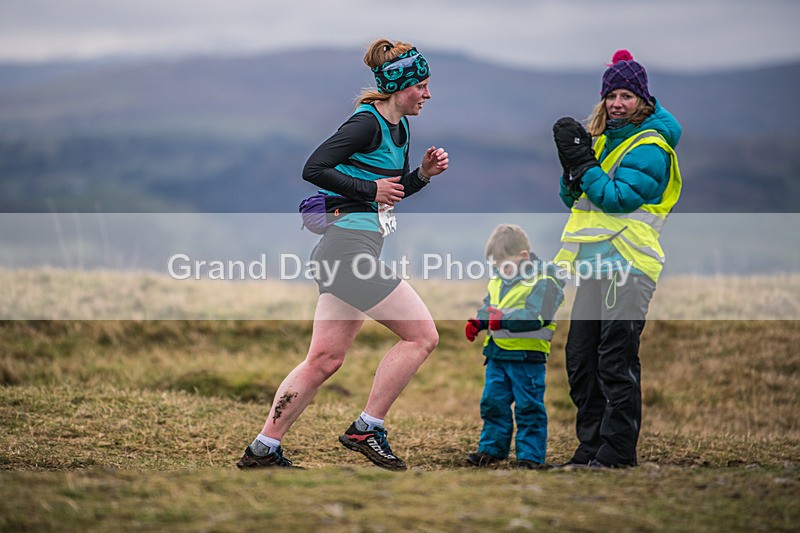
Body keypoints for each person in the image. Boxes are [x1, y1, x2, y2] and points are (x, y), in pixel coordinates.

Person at [236, 38, 449, 470]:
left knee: (324, 360)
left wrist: (421, 176)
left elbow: (388, 194)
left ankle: (263, 448)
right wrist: (369, 189)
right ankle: (367, 427)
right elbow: (313, 168)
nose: (428, 94)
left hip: (348, 249)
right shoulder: (365, 124)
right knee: (423, 336)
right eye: (422, 86)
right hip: (347, 251)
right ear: (400, 85)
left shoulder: (400, 127)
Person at [552, 50, 682, 468]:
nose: (617, 104)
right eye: (611, 95)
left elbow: (617, 199)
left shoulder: (651, 146)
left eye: (626, 95)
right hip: (595, 264)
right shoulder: (607, 139)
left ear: (643, 100)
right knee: (581, 359)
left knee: (615, 359)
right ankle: (589, 448)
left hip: (630, 264)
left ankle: (616, 451)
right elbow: (577, 198)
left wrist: (586, 164)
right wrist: (572, 168)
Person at [464, 224, 564, 469]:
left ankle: (530, 457)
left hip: (527, 358)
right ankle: (492, 450)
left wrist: (502, 321)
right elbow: (489, 306)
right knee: (492, 403)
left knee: (528, 407)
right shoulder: (499, 279)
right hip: (497, 356)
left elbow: (537, 316)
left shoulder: (544, 281)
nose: (500, 270)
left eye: (505, 265)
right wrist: (479, 321)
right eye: (496, 266)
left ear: (523, 257)